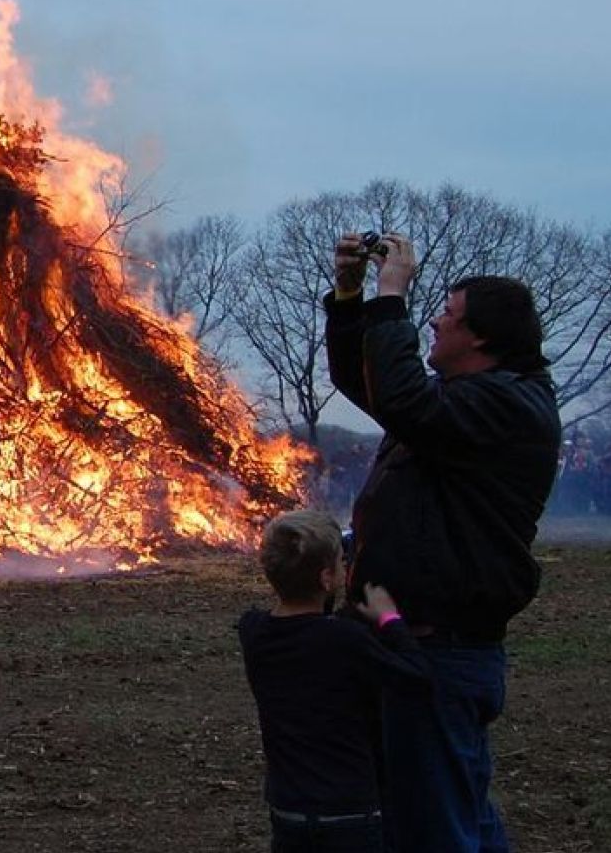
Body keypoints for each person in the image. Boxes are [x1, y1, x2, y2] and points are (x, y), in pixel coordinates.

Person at [324, 233, 561, 853]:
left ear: (480, 338)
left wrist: (391, 297)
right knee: (457, 815)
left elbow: (399, 397)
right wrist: (350, 297)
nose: (433, 320)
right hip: (418, 643)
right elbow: (374, 383)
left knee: (434, 829)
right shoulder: (463, 404)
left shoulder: (503, 404)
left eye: (448, 316)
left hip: (440, 653)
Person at [239, 510, 431, 853]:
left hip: (288, 810)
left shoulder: (253, 631)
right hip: (348, 812)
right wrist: (389, 619)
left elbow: (306, 632)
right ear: (327, 578)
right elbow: (416, 678)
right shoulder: (346, 640)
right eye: (343, 563)